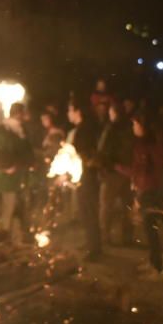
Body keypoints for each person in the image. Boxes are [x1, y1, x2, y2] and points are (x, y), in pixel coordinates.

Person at [0, 102, 34, 243]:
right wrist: (7, 166)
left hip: (21, 176)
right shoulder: (2, 130)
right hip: (8, 177)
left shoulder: (20, 129)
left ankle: (18, 238)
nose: (26, 116)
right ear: (19, 114)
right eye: (24, 113)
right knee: (9, 208)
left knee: (20, 208)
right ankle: (4, 239)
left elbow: (24, 151)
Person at [126, 115, 163, 280]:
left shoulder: (151, 145)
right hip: (145, 189)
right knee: (147, 228)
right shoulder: (141, 144)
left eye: (136, 124)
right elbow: (138, 167)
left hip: (150, 190)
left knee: (151, 229)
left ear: (143, 126)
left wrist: (142, 191)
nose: (133, 127)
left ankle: (158, 269)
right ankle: (152, 262)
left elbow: (151, 170)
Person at [67, 102, 102, 260]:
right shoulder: (83, 129)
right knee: (86, 212)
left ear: (77, 111)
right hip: (84, 175)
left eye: (70, 110)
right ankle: (91, 243)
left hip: (86, 176)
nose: (68, 113)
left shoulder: (84, 131)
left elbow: (83, 154)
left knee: (89, 212)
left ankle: (95, 250)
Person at [97, 103, 134, 246]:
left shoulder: (111, 128)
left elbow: (102, 150)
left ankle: (106, 237)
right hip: (125, 172)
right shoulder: (129, 127)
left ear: (113, 113)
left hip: (113, 172)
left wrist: (107, 167)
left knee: (107, 206)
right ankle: (127, 237)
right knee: (126, 207)